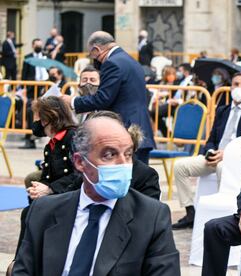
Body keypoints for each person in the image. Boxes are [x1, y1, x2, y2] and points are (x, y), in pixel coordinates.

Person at [12, 115, 180, 276]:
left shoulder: (151, 217)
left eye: (128, 154)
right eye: (109, 155)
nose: (123, 164)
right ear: (80, 162)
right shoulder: (43, 211)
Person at [61, 31, 155, 164]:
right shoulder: (130, 61)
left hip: (126, 129)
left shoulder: (112, 63)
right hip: (139, 126)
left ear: (96, 49)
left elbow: (103, 99)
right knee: (140, 180)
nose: (93, 59)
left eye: (91, 54)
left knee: (129, 179)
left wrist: (73, 101)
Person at [172, 73, 241, 229]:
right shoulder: (223, 110)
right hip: (214, 157)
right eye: (236, 84)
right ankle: (190, 213)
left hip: (235, 160)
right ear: (230, 86)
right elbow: (211, 139)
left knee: (222, 168)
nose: (239, 88)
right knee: (180, 166)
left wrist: (227, 155)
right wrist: (210, 152)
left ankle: (224, 216)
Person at [15, 96, 77, 259]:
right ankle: (23, 260)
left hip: (70, 196)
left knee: (31, 213)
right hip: (59, 194)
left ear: (52, 118)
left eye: (40, 119)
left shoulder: (72, 138)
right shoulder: (53, 143)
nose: (37, 124)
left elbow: (79, 175)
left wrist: (50, 189)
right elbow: (49, 174)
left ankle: (23, 260)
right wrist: (40, 188)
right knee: (30, 211)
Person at [19, 38, 49, 149]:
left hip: (44, 88)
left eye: (40, 45)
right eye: (37, 45)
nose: (39, 47)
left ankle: (38, 134)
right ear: (33, 46)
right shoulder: (28, 57)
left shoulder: (46, 57)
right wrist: (23, 88)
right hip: (32, 88)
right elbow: (24, 74)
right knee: (30, 111)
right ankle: (30, 138)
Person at [150, 66, 180, 137]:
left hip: (173, 105)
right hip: (161, 104)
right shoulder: (161, 82)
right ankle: (167, 134)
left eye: (173, 74)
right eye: (169, 74)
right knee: (154, 114)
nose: (171, 76)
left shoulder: (177, 83)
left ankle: (175, 136)